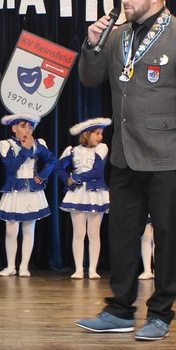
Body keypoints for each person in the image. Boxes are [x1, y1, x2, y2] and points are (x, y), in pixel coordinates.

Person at [75, 0, 176, 341]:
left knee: (168, 239)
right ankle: (119, 311)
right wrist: (92, 43)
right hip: (125, 155)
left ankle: (160, 314)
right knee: (121, 235)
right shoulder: (118, 35)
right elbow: (90, 78)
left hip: (171, 157)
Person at [0, 113, 56, 277]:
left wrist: (43, 175)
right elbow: (11, 168)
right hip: (14, 191)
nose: (27, 130)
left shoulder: (38, 144)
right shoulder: (6, 145)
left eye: (30, 127)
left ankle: (24, 266)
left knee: (29, 229)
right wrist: (25, 150)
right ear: (14, 127)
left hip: (31, 191)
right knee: (11, 230)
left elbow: (52, 160)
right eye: (23, 126)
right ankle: (10, 266)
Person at [55, 117, 112, 280]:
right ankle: (79, 269)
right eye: (97, 133)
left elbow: (97, 172)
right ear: (87, 134)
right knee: (79, 233)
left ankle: (93, 269)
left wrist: (76, 177)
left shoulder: (101, 149)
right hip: (78, 194)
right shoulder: (73, 151)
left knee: (94, 233)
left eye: (101, 133)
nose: (101, 137)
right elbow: (58, 167)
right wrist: (67, 179)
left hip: (95, 193)